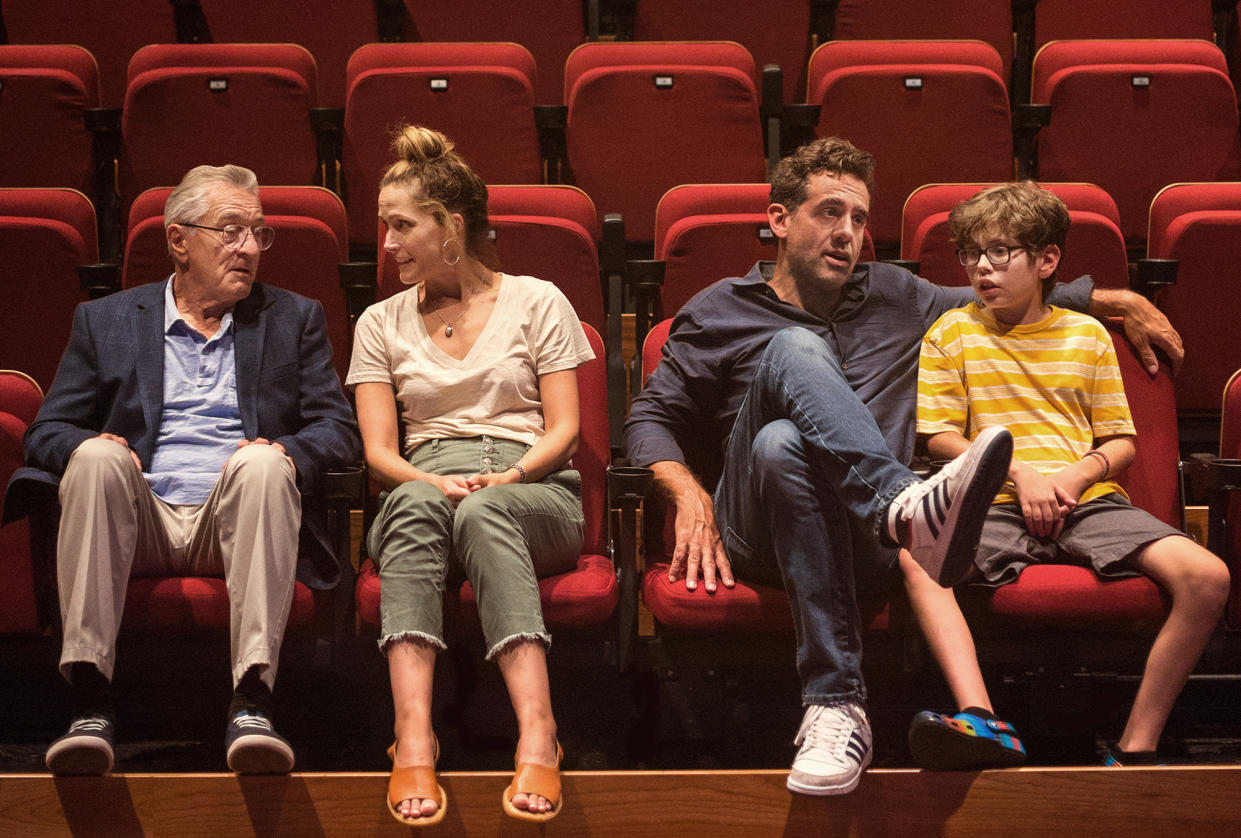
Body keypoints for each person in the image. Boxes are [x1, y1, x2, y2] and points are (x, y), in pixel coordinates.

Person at [623, 137, 1185, 795]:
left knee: (782, 440)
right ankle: (901, 504)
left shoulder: (897, 293)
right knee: (789, 356)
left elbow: (1008, 293)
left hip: (865, 544)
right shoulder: (720, 309)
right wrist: (685, 492)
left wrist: (1114, 300)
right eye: (829, 213)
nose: (848, 233)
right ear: (778, 219)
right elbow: (648, 419)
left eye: (859, 219)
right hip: (761, 533)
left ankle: (835, 707)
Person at [7, 165, 361, 776]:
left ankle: (252, 703)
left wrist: (285, 455)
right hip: (138, 518)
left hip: (236, 520)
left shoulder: (291, 318)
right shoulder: (107, 320)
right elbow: (45, 434)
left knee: (258, 462)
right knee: (94, 457)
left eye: (257, 233)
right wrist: (98, 445)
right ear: (178, 240)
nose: (248, 247)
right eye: (231, 231)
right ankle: (90, 705)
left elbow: (338, 429)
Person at [909, 182, 1229, 768]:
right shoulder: (950, 333)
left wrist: (1075, 478)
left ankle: (1136, 748)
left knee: (1207, 577)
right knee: (917, 558)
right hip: (994, 500)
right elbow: (939, 438)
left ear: (1047, 259)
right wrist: (1019, 474)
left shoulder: (1088, 337)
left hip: (1087, 499)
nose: (982, 268)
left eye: (999, 252)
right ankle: (981, 719)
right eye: (971, 254)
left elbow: (1120, 441)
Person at [347, 125, 593, 825]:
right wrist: (424, 483)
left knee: (486, 513)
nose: (388, 243)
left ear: (450, 226)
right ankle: (414, 738)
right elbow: (379, 453)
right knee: (419, 509)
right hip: (423, 482)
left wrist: (510, 476)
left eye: (402, 226)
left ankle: (538, 730)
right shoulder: (378, 321)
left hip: (532, 487)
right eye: (384, 227)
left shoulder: (537, 299)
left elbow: (566, 429)